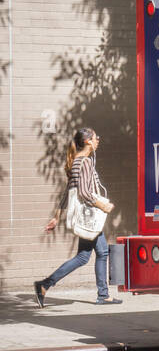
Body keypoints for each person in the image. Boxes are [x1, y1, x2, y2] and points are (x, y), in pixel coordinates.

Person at [34, 127, 119, 306]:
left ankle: (103, 294)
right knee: (84, 257)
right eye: (96, 137)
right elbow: (84, 192)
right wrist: (102, 205)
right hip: (89, 216)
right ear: (88, 141)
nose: (98, 140)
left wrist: (57, 216)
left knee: (100, 252)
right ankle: (45, 284)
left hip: (85, 216)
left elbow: (68, 192)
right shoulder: (85, 162)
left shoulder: (76, 162)